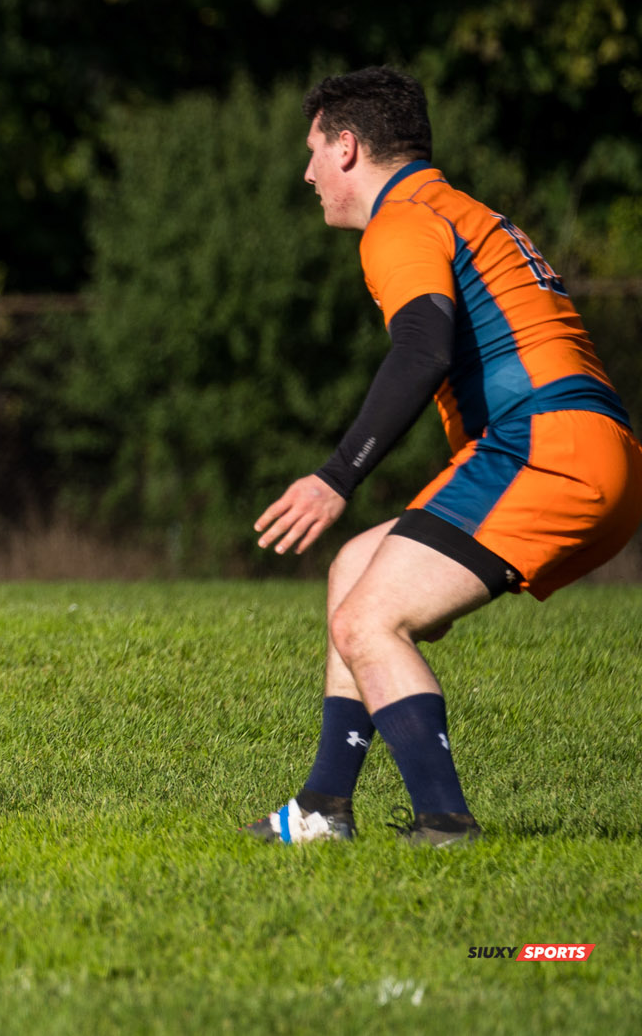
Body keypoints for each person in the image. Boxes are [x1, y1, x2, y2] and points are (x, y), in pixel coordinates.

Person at [247, 67, 642, 847]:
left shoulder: (402, 222)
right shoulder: (461, 208)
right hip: (593, 449)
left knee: (369, 619)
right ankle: (324, 806)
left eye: (314, 151)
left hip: (546, 449)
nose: (307, 173)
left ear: (349, 146)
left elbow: (422, 348)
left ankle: (443, 823)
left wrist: (336, 477)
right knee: (353, 572)